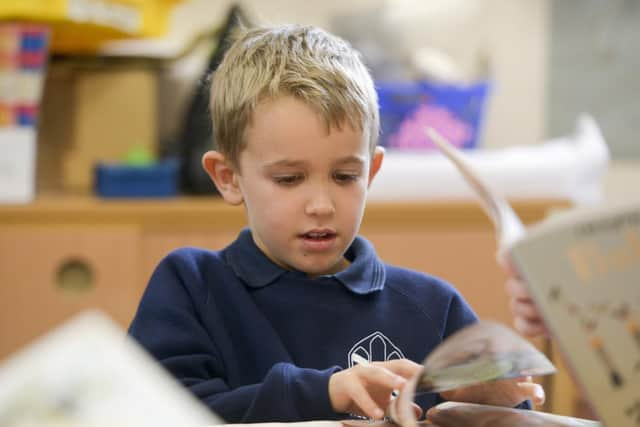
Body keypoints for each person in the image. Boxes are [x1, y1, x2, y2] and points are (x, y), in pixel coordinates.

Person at [128, 24, 544, 423]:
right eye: (289, 179)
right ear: (228, 177)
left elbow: (517, 415)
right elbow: (146, 413)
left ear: (372, 171)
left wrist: (495, 405)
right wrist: (325, 393)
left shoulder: (433, 307)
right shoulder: (191, 286)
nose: (322, 205)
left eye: (345, 177)